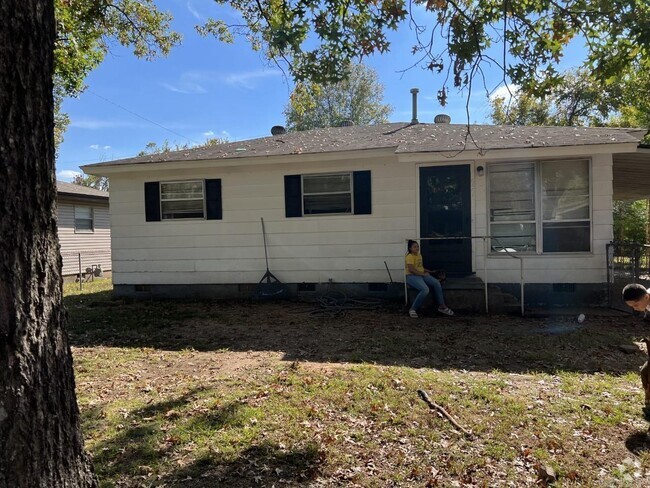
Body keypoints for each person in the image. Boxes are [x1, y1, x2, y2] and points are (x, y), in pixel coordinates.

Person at [405, 239, 454, 318]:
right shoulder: (409, 256)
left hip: (421, 275)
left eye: (418, 246)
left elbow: (420, 267)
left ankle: (442, 306)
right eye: (414, 247)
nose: (417, 248)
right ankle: (412, 309)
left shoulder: (419, 255)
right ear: (410, 248)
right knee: (425, 289)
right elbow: (412, 270)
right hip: (412, 276)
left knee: (436, 283)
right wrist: (423, 274)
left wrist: (430, 271)